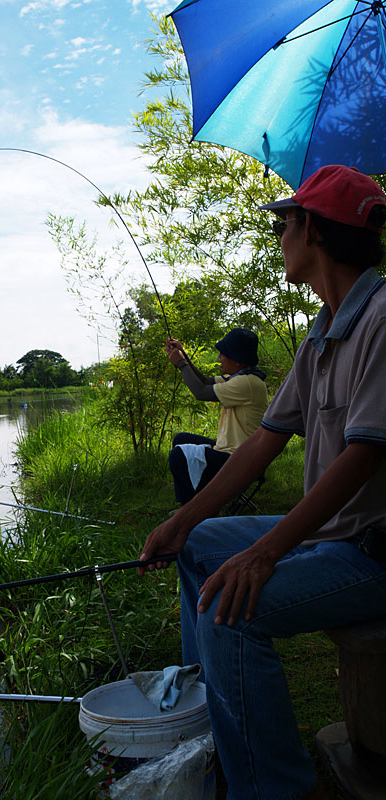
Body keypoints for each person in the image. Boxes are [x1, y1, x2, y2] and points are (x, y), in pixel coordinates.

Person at [138, 164, 386, 800]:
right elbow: (260, 448)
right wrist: (179, 521)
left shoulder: (383, 321)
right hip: (332, 537)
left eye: (285, 224)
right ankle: (214, 717)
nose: (279, 237)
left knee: (230, 609)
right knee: (199, 547)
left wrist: (267, 551)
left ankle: (272, 788)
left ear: (316, 233)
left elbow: (361, 457)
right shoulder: (320, 337)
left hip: (372, 553)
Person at [166, 329, 268, 504]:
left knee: (178, 455)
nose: (219, 356)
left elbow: (200, 392)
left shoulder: (246, 383)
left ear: (237, 361)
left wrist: (182, 364)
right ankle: (195, 502)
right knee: (181, 439)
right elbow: (205, 381)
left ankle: (194, 510)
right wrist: (183, 356)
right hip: (231, 452)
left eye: (224, 353)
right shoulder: (240, 377)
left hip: (240, 459)